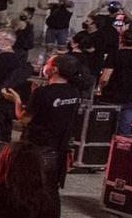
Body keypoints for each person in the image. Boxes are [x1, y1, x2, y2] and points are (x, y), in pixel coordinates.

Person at [12, 51, 86, 202]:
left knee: (29, 186)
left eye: (48, 63)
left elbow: (24, 119)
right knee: (51, 189)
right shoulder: (74, 92)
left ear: (55, 69)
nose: (45, 66)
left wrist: (16, 101)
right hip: (58, 148)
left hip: (37, 147)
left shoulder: (43, 92)